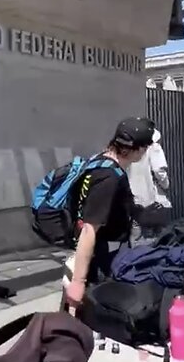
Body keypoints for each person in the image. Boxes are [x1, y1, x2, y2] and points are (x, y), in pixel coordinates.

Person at [63, 117, 154, 309]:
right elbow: (89, 229)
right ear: (136, 149)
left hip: (103, 252)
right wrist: (78, 282)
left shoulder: (100, 161)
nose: (145, 153)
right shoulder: (108, 178)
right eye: (145, 148)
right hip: (103, 257)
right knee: (99, 311)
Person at [128, 123, 172, 241]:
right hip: (152, 200)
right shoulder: (154, 148)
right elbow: (159, 170)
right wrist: (166, 184)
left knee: (135, 234)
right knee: (157, 236)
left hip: (133, 199)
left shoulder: (130, 149)